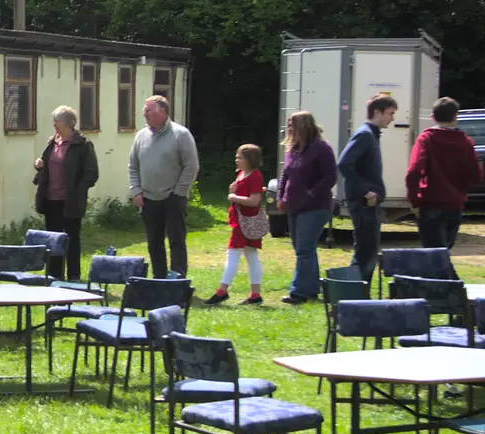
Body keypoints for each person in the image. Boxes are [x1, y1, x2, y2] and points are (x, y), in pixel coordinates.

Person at [127, 95, 199, 279]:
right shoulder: (141, 136)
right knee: (154, 242)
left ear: (162, 111)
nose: (144, 113)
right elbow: (133, 166)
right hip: (148, 199)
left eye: (148, 110)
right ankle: (158, 278)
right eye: (144, 110)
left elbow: (191, 166)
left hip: (172, 198)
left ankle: (177, 279)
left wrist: (179, 193)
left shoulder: (180, 134)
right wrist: (136, 191)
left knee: (176, 241)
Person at [31, 105, 99, 281]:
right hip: (51, 199)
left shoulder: (82, 145)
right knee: (53, 239)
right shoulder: (52, 143)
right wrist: (40, 165)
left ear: (68, 123)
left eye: (57, 121)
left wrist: (78, 191)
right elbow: (47, 166)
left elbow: (91, 173)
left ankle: (74, 275)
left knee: (71, 239)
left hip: (70, 201)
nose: (54, 124)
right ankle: (55, 274)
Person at [277, 112, 338, 304]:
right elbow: (285, 175)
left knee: (304, 248)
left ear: (303, 126)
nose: (289, 129)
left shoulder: (321, 149)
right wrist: (280, 196)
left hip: (316, 207)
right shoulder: (292, 149)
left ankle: (299, 292)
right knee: (303, 248)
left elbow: (331, 176)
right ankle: (312, 289)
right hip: (294, 206)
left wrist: (312, 192)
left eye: (292, 125)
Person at [407, 96, 482, 250]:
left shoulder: (426, 139)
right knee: (443, 252)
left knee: (432, 255)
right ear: (455, 117)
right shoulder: (465, 142)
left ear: (433, 117)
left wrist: (414, 201)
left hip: (430, 203)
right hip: (455, 204)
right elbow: (476, 176)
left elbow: (413, 172)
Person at [338, 94, 398, 280]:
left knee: (368, 251)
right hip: (364, 203)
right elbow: (344, 163)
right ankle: (356, 296)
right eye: (390, 113)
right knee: (365, 252)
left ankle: (358, 295)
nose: (392, 118)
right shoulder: (364, 134)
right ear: (377, 112)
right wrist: (366, 191)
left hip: (369, 203)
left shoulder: (371, 134)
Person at [205, 145, 267, 305]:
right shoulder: (241, 174)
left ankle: (222, 291)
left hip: (246, 222)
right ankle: (255, 295)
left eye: (240, 157)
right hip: (239, 220)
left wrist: (233, 197)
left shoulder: (255, 176)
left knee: (233, 254)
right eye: (237, 157)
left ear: (250, 160)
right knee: (251, 255)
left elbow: (254, 200)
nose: (237, 160)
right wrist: (232, 191)